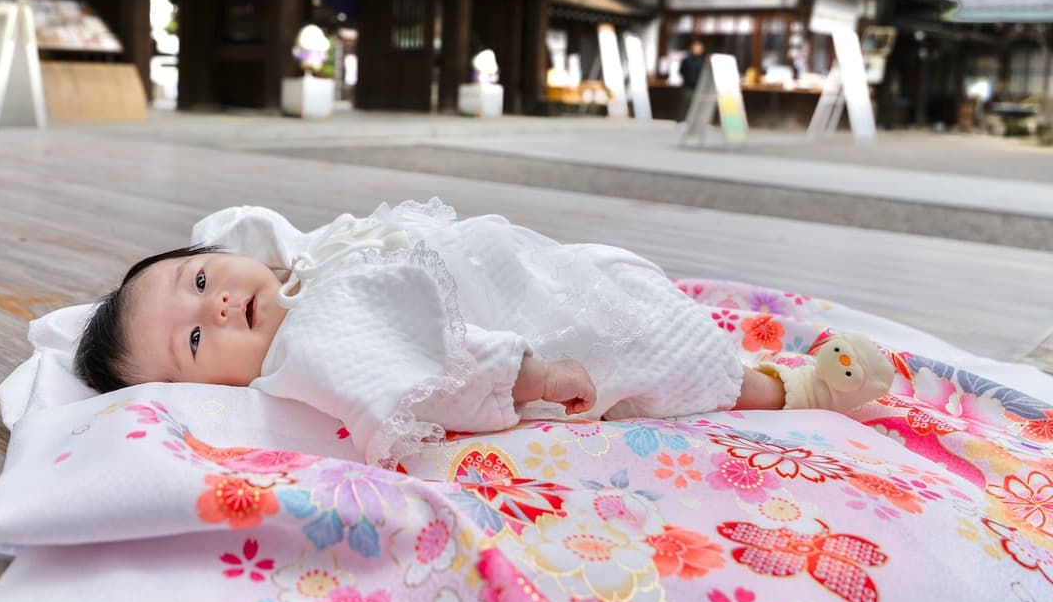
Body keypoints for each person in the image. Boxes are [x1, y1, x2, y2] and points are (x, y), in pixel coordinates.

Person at [73, 200, 893, 468]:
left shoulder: (296, 269)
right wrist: (530, 377)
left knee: (628, 286)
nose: (214, 306)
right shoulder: (310, 345)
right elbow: (426, 367)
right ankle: (790, 389)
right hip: (537, 330)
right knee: (649, 357)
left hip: (529, 267)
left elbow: (236, 230)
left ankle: (750, 360)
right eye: (192, 341)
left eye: (202, 280)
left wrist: (226, 259)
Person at [677, 40, 706, 121]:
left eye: (699, 49)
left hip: (698, 88)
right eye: (695, 48)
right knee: (685, 106)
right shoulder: (686, 60)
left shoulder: (702, 62)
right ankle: (682, 121)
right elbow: (681, 71)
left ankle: (693, 122)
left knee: (696, 106)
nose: (697, 50)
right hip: (687, 87)